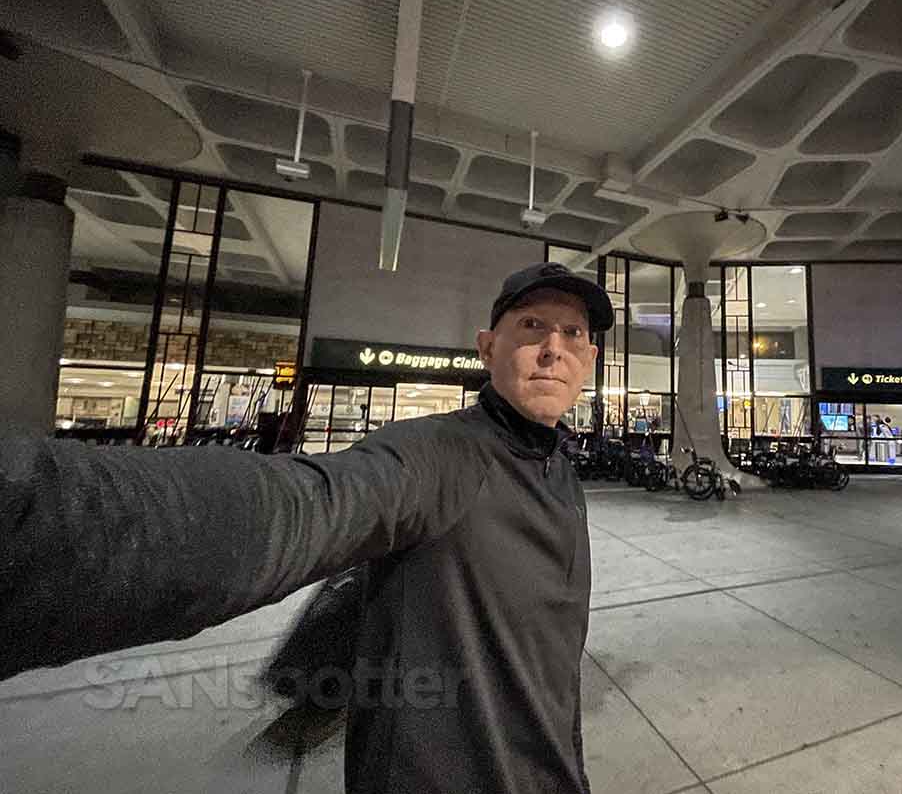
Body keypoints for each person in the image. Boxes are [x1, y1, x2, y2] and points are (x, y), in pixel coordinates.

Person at [0, 261, 611, 794]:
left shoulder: (559, 471)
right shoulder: (439, 458)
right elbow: (299, 506)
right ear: (486, 349)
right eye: (531, 326)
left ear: (587, 359)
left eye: (572, 333)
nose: (553, 347)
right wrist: (30, 519)